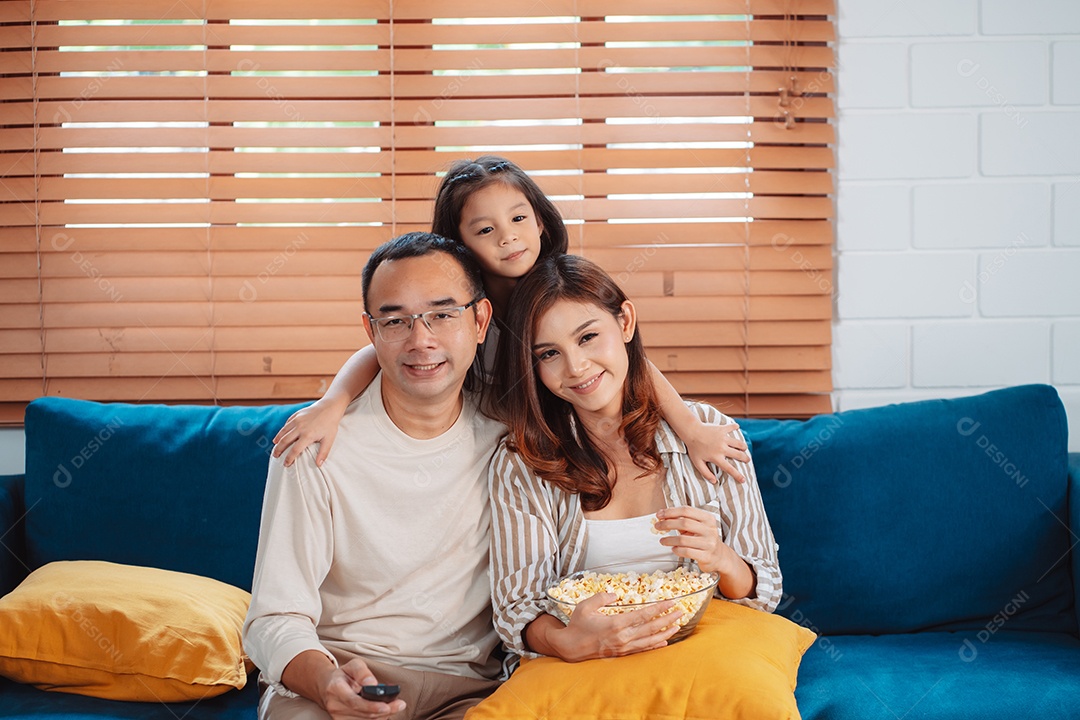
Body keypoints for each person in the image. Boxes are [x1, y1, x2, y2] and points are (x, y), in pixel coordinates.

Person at [271, 156, 749, 485]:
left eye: (519, 219)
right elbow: (379, 350)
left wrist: (691, 429)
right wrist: (332, 404)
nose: (508, 238)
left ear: (541, 221)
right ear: (457, 241)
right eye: (485, 229)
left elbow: (631, 362)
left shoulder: (560, 293)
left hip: (554, 441)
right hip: (485, 449)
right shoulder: (455, 310)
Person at [243, 232, 505, 720]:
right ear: (371, 331)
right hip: (336, 674)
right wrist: (326, 685)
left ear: (480, 320)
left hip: (470, 689)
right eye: (395, 320)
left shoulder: (514, 439)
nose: (421, 339)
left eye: (443, 315)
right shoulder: (314, 443)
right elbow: (273, 618)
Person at [487, 254, 782, 662]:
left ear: (625, 322)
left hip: (701, 654)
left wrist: (721, 557)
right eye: (548, 354)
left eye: (588, 337)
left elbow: (763, 588)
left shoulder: (708, 431)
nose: (576, 366)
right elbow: (518, 608)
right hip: (587, 665)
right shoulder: (523, 463)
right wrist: (569, 643)